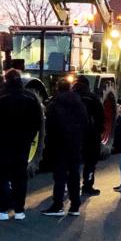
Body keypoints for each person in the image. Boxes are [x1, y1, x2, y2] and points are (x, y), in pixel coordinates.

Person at [0, 69, 42, 221]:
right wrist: (29, 137)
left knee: (4, 175)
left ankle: (2, 209)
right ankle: (19, 210)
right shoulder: (30, 97)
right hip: (23, 143)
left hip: (4, 142)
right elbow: (37, 121)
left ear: (6, 79)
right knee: (20, 175)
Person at [42, 79, 89, 217]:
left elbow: (49, 125)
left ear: (57, 88)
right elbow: (85, 123)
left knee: (60, 176)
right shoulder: (79, 103)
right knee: (74, 174)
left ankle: (58, 205)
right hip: (75, 144)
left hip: (59, 144)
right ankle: (75, 206)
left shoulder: (54, 104)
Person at [73, 78, 104, 196]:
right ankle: (87, 185)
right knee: (90, 162)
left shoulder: (69, 97)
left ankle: (69, 185)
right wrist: (99, 131)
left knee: (71, 162)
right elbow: (100, 116)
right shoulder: (92, 98)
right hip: (90, 135)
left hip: (72, 135)